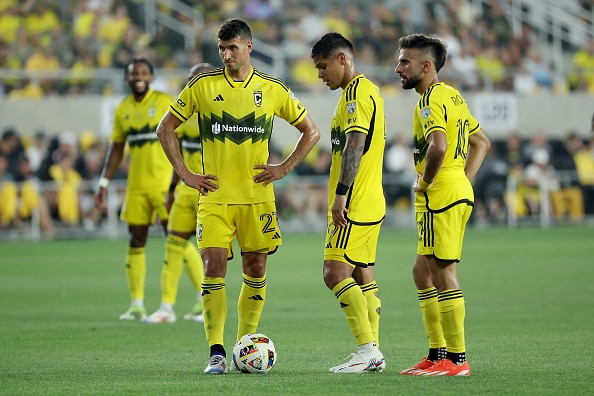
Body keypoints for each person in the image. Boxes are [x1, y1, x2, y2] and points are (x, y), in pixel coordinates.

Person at [155, 18, 320, 374]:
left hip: (257, 198)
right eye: (221, 49)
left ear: (249, 47)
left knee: (255, 268)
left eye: (232, 48)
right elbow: (164, 127)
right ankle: (215, 351)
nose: (226, 54)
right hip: (215, 197)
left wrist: (283, 168)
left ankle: (243, 344)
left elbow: (311, 131)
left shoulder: (272, 88)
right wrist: (185, 173)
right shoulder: (202, 85)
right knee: (213, 267)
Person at [395, 33, 490, 376]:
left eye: (405, 62)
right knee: (422, 272)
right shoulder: (452, 95)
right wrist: (463, 179)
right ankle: (437, 354)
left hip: (442, 194)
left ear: (426, 65)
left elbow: (437, 146)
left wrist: (429, 180)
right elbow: (481, 142)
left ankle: (458, 360)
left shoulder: (431, 101)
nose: (398, 68)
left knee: (443, 273)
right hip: (453, 189)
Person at [94, 58, 203, 321]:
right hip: (137, 186)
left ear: (152, 77)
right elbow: (117, 148)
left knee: (176, 239)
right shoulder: (122, 110)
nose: (138, 77)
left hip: (165, 183)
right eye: (133, 74)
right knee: (136, 240)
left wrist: (177, 181)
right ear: (126, 78)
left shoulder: (166, 102)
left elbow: (177, 142)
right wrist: (103, 183)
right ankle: (137, 304)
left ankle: (202, 297)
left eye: (143, 73)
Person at [311, 32, 386, 374]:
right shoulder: (362, 92)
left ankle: (367, 350)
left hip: (354, 202)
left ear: (342, 59)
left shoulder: (357, 92)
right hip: (370, 200)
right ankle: (374, 353)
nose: (320, 74)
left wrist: (341, 194)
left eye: (323, 66)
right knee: (361, 275)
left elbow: (355, 144)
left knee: (334, 273)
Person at [143, 62, 215, 324]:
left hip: (212, 194)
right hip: (186, 192)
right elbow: (179, 159)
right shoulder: (183, 117)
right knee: (173, 247)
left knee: (212, 254)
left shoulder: (222, 113)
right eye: (189, 80)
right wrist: (172, 189)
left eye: (197, 79)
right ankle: (166, 308)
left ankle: (206, 305)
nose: (191, 85)